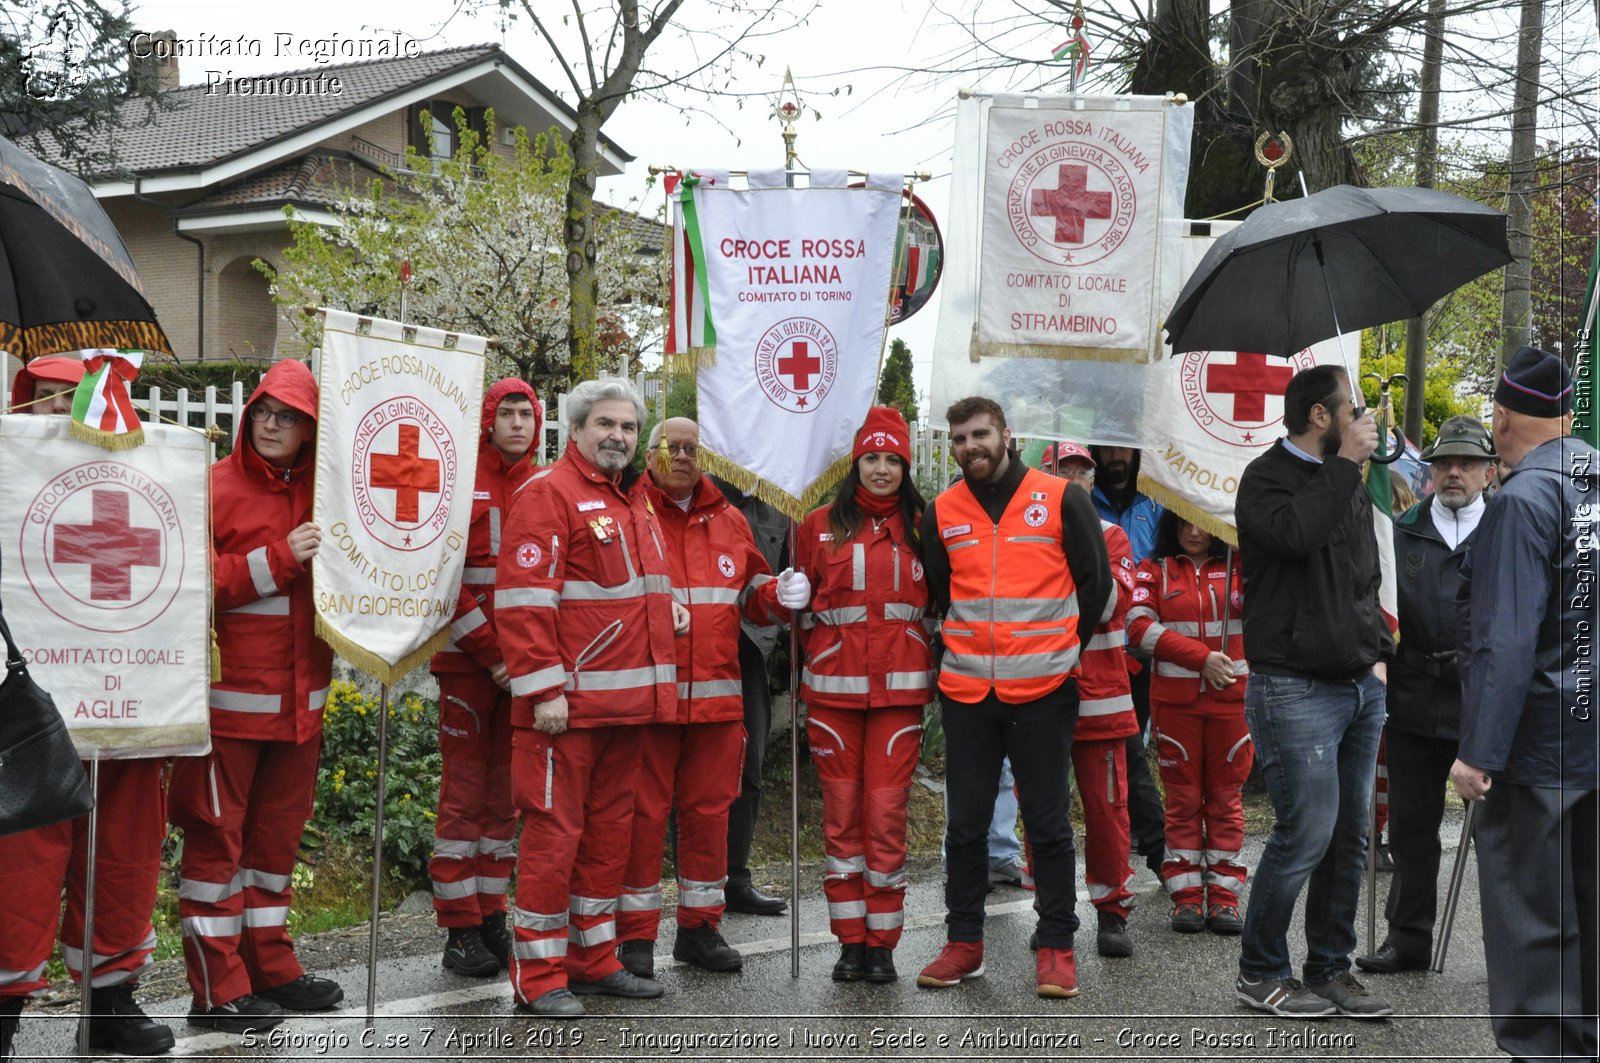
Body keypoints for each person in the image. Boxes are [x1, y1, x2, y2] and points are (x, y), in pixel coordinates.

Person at [493, 378, 688, 1018]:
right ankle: (539, 975)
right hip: (565, 713)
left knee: (608, 840)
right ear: (576, 430)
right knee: (553, 842)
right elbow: (524, 602)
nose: (618, 437)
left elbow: (626, 592)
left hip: (627, 711)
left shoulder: (636, 500)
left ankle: (593, 959)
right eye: (606, 424)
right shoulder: (548, 495)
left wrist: (668, 612)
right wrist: (544, 690)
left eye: (629, 428)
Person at [0, 357, 175, 1058]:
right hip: (28, 705)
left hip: (130, 693)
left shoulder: (153, 477)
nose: (59, 415)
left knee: (126, 853)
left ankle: (111, 999)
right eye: (44, 401)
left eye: (73, 402)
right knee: (19, 860)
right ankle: (5, 1011)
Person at [170, 359, 343, 1032]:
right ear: (248, 417)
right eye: (265, 412)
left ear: (309, 429)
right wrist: (279, 557)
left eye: (290, 416)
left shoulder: (329, 495)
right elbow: (188, 578)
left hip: (302, 708)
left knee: (274, 846)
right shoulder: (211, 487)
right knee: (216, 847)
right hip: (228, 706)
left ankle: (269, 966)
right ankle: (216, 988)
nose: (273, 424)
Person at [917, 397, 1110, 999]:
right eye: (958, 438)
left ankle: (1055, 946)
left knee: (1049, 826)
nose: (969, 446)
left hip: (1044, 690)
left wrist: (1061, 654)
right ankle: (964, 945)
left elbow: (1094, 586)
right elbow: (942, 596)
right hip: (968, 691)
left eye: (980, 434)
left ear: (1007, 435)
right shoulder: (941, 511)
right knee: (966, 827)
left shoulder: (1060, 498)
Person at [1232, 363, 1394, 1020]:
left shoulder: (1348, 480)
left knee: (1351, 834)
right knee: (1306, 832)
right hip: (1294, 688)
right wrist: (1345, 469)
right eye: (1351, 408)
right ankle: (1260, 970)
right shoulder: (1264, 479)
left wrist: (1377, 656)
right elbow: (1297, 535)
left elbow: (1365, 573)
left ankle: (1330, 967)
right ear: (1321, 417)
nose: (1363, 419)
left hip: (1360, 685)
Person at [1451, 346, 1596, 1063]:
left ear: (1502, 417)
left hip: (1540, 744)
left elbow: (1506, 641)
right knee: (1592, 912)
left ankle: (1547, 1051)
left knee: (1532, 914)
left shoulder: (1523, 501)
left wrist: (1478, 750)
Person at [760, 407, 934, 984]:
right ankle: (848, 940)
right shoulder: (813, 526)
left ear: (905, 466)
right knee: (841, 824)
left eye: (892, 459)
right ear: (854, 462)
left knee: (885, 817)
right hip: (833, 699)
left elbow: (942, 604)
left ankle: (882, 943)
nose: (881, 468)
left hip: (900, 699)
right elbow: (790, 611)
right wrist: (786, 592)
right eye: (871, 457)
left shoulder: (923, 525)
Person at [616, 418, 779, 976]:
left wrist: (782, 595)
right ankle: (634, 939)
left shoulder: (731, 521)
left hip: (716, 704)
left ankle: (700, 928)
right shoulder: (627, 512)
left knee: (709, 816)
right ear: (652, 452)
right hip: (649, 702)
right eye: (670, 446)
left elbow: (753, 599)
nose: (681, 456)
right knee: (641, 816)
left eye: (691, 449)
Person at [1355, 415, 1495, 975]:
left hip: (1484, 703)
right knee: (1413, 829)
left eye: (1466, 463)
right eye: (1444, 463)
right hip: (1412, 697)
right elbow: (1372, 604)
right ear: (1431, 470)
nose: (1454, 472)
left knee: (1498, 835)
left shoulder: (1508, 528)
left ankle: (1510, 949)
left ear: (1489, 471)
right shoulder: (1400, 529)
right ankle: (1408, 939)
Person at [426, 378, 543, 977]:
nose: (519, 423)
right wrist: (494, 653)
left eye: (527, 413)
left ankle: (491, 911)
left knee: (505, 797)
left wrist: (525, 660)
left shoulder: (545, 487)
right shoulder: (456, 478)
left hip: (521, 668)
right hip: (471, 666)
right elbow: (440, 576)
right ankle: (459, 929)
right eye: (508, 413)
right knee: (464, 796)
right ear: (489, 420)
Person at [1034, 442, 1139, 958]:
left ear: (1093, 482)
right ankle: (1050, 911)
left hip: (1100, 701)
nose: (1074, 477)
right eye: (1061, 468)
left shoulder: (1112, 535)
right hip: (1038, 695)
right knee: (1043, 814)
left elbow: (1110, 604)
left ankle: (1112, 912)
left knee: (1106, 812)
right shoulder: (1026, 536)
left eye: (1082, 470)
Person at [1126, 510, 1252, 936]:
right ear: (1171, 528)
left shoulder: (1239, 567)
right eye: (1184, 523)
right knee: (1182, 800)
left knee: (1225, 800)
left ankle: (1225, 899)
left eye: (1202, 522)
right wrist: (1201, 659)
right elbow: (1138, 628)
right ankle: (1185, 899)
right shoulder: (1154, 569)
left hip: (1232, 703)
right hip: (1175, 706)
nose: (1195, 532)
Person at [712, 476, 791, 916]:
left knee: (749, 768)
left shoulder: (778, 505)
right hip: (695, 648)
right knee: (694, 774)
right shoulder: (690, 495)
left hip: (752, 650)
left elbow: (788, 578)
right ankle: (695, 882)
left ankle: (736, 878)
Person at [1087, 444, 1167, 877]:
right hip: (1085, 651)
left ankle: (1155, 846)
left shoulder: (1155, 498)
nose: (1115, 456)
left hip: (1139, 646)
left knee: (1131, 750)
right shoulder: (1079, 503)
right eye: (1105, 449)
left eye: (1123, 447)